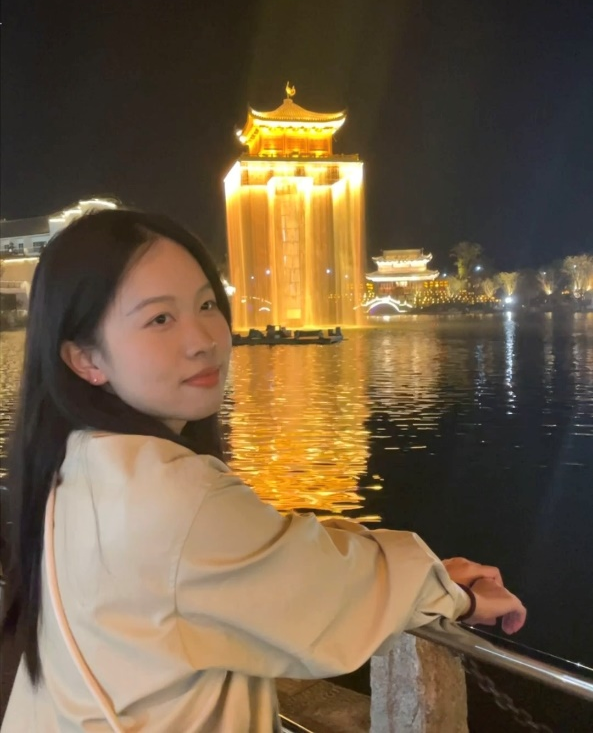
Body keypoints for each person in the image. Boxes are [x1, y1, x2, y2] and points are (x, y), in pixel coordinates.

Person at [1, 208, 526, 732]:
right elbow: (324, 598)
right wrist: (453, 596)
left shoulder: (75, 458)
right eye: (160, 319)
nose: (204, 339)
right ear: (86, 359)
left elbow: (261, 552)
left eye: (207, 304)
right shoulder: (174, 494)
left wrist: (423, 571)